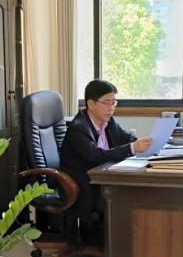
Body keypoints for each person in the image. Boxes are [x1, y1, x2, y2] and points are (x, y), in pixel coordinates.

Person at [59, 79, 153, 222]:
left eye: (114, 102)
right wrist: (133, 147)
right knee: (130, 196)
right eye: (107, 102)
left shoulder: (108, 121)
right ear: (91, 104)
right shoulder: (77, 128)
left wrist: (144, 143)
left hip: (102, 180)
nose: (111, 108)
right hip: (84, 186)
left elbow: (125, 138)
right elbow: (95, 156)